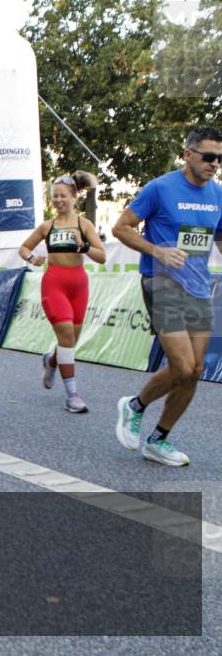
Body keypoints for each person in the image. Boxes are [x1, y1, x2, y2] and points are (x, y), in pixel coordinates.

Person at [112, 125, 222, 466]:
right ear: (188, 154)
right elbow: (121, 227)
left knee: (195, 370)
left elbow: (219, 236)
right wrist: (157, 251)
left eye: (219, 159)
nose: (214, 164)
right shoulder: (159, 188)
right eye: (209, 156)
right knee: (182, 365)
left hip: (199, 287)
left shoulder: (217, 193)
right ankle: (135, 406)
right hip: (161, 283)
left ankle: (158, 440)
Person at [18, 172, 106, 413]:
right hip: (54, 283)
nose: (58, 200)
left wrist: (84, 246)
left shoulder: (84, 225)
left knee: (70, 341)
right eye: (55, 196)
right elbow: (24, 247)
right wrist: (31, 257)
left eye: (62, 195)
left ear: (74, 197)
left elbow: (101, 256)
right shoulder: (48, 226)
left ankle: (51, 361)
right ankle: (72, 395)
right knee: (66, 334)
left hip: (78, 285)